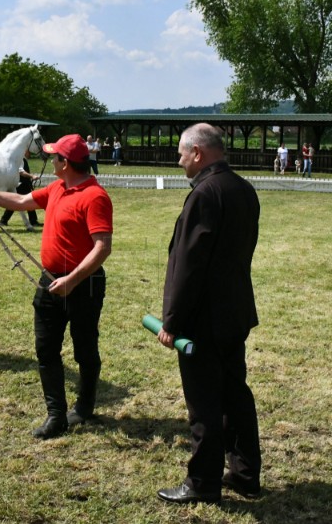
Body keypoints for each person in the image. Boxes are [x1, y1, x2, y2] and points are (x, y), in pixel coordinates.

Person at [0, 134, 113, 440]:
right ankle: (56, 416)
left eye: (54, 156)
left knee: (85, 349)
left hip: (85, 283)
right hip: (50, 280)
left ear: (65, 163)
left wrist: (73, 280)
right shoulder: (57, 187)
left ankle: (84, 407)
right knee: (45, 349)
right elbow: (20, 201)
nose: (50, 160)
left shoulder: (95, 197)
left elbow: (102, 247)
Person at [156, 123, 261, 504]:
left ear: (198, 153)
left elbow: (188, 264)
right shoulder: (243, 189)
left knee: (204, 403)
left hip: (204, 319)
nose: (179, 160)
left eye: (182, 153)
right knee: (235, 395)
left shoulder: (205, 193)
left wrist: (172, 321)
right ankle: (246, 473)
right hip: (236, 311)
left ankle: (202, 482)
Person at [0, 149, 42, 227]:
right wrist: (32, 176)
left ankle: (33, 221)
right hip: (20, 185)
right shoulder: (19, 159)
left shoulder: (23, 159)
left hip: (24, 184)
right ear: (24, 151)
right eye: (28, 152)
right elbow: (21, 172)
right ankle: (3, 220)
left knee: (28, 201)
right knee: (16, 202)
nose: (30, 154)